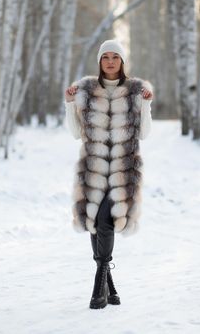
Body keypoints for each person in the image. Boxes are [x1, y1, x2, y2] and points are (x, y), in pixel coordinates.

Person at [65, 39, 153, 309]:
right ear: (100, 62)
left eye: (116, 57)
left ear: (123, 62)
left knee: (105, 221)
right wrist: (70, 103)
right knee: (95, 222)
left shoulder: (135, 90)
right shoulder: (87, 90)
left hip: (123, 172)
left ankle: (98, 285)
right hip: (92, 170)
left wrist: (146, 106)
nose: (111, 61)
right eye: (106, 57)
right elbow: (74, 133)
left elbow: (145, 134)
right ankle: (110, 286)